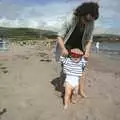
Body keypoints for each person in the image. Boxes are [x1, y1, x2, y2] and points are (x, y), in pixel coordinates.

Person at [55, 2, 99, 99]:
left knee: (81, 70)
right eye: (87, 19)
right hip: (67, 44)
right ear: (82, 13)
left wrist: (87, 51)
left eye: (91, 20)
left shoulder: (91, 22)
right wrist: (63, 49)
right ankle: (63, 89)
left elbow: (89, 39)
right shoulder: (71, 18)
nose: (88, 22)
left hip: (80, 47)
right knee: (65, 69)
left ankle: (80, 91)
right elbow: (60, 36)